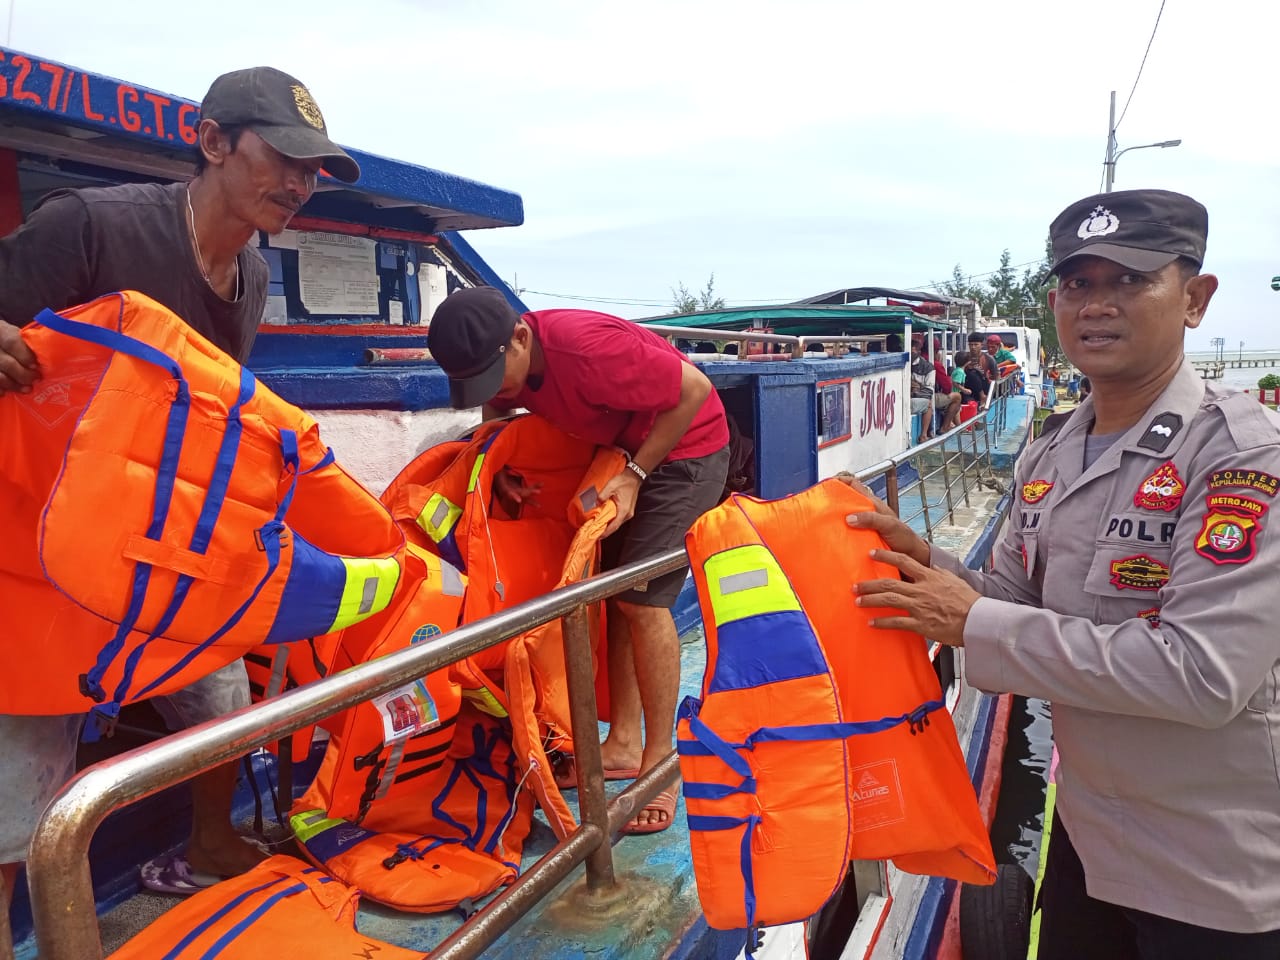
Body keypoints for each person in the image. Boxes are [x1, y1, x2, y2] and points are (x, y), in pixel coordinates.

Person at [847, 188, 1280, 959]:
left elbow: (1203, 675)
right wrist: (933, 569)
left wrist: (970, 620)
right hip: (1089, 839)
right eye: (1080, 283)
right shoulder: (1050, 451)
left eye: (1130, 280)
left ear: (1195, 299)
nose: (1097, 305)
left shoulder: (1241, 457)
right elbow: (1014, 598)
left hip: (1217, 872)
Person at [0, 66, 358, 899]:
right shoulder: (91, 225)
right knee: (22, 770)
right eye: (286, 159)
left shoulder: (257, 279)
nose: (301, 183)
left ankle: (210, 841)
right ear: (211, 142)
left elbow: (214, 412)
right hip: (37, 547)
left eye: (314, 170)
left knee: (225, 695)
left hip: (153, 538)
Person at [426, 288, 729, 834]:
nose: (498, 392)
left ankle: (661, 764)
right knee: (611, 596)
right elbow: (500, 409)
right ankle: (622, 744)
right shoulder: (509, 364)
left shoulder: (586, 350)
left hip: (686, 450)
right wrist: (504, 467)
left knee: (643, 599)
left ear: (521, 338)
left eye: (498, 376)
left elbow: (694, 390)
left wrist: (636, 477)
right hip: (617, 453)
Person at [908, 337, 935, 442]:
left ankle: (924, 434)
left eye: (914, 350)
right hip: (901, 399)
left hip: (914, 398)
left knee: (928, 403)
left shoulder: (928, 367)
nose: (912, 352)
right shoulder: (901, 365)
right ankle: (923, 435)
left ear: (919, 352)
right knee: (928, 405)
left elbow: (929, 391)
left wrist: (914, 392)